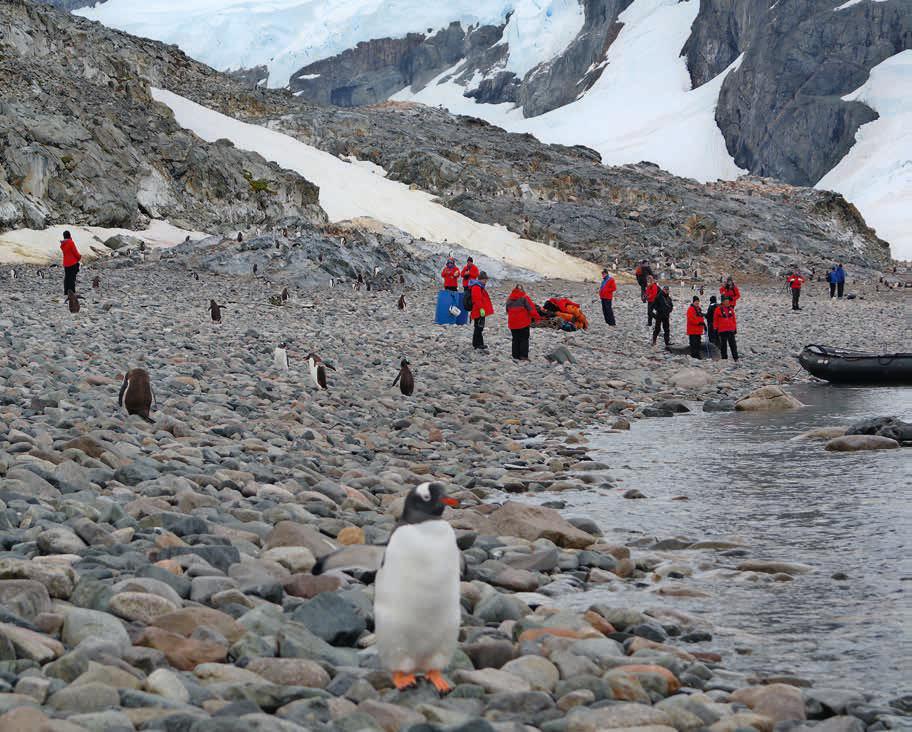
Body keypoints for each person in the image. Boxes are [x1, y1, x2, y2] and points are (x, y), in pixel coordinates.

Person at [505, 284, 541, 360]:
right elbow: (531, 309)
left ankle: (515, 355)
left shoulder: (509, 299)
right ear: (522, 290)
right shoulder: (524, 298)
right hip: (523, 323)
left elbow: (507, 310)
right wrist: (537, 318)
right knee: (524, 339)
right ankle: (523, 356)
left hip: (513, 323)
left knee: (515, 339)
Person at [469, 271, 493, 350]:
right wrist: (481, 309)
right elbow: (477, 299)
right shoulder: (477, 287)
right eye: (485, 280)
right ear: (481, 279)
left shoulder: (479, 286)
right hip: (478, 311)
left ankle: (479, 343)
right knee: (478, 327)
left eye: (486, 280)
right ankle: (476, 344)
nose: (486, 281)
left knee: (479, 327)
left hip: (479, 310)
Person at [714, 295, 739, 361]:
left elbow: (734, 319)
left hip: (731, 329)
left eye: (728, 300)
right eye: (726, 301)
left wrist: (735, 328)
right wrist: (715, 329)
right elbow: (715, 320)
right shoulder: (718, 309)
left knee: (733, 345)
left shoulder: (731, 309)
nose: (727, 302)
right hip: (722, 330)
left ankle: (735, 357)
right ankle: (724, 358)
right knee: (723, 345)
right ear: (723, 302)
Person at [60, 230, 81, 296]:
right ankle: (72, 291)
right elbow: (75, 252)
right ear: (69, 235)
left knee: (67, 277)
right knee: (72, 278)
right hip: (72, 263)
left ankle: (66, 291)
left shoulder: (63, 244)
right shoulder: (70, 242)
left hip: (66, 263)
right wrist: (79, 257)